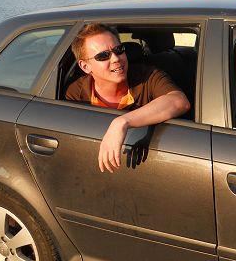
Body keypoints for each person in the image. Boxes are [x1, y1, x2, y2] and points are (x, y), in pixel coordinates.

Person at [66, 23, 190, 173]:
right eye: (103, 56)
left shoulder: (148, 76)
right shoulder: (75, 94)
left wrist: (121, 122)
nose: (115, 59)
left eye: (119, 50)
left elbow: (179, 101)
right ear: (85, 66)